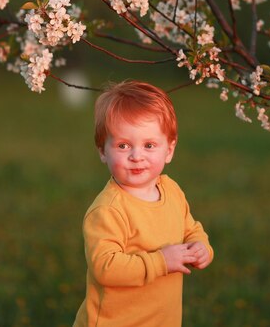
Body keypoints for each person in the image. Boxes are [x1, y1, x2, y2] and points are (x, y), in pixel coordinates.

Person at [73, 80, 214, 327]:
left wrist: (200, 246)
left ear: (169, 150)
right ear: (102, 151)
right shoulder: (108, 209)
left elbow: (190, 228)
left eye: (149, 145)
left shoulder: (171, 190)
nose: (136, 156)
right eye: (123, 145)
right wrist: (160, 262)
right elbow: (105, 267)